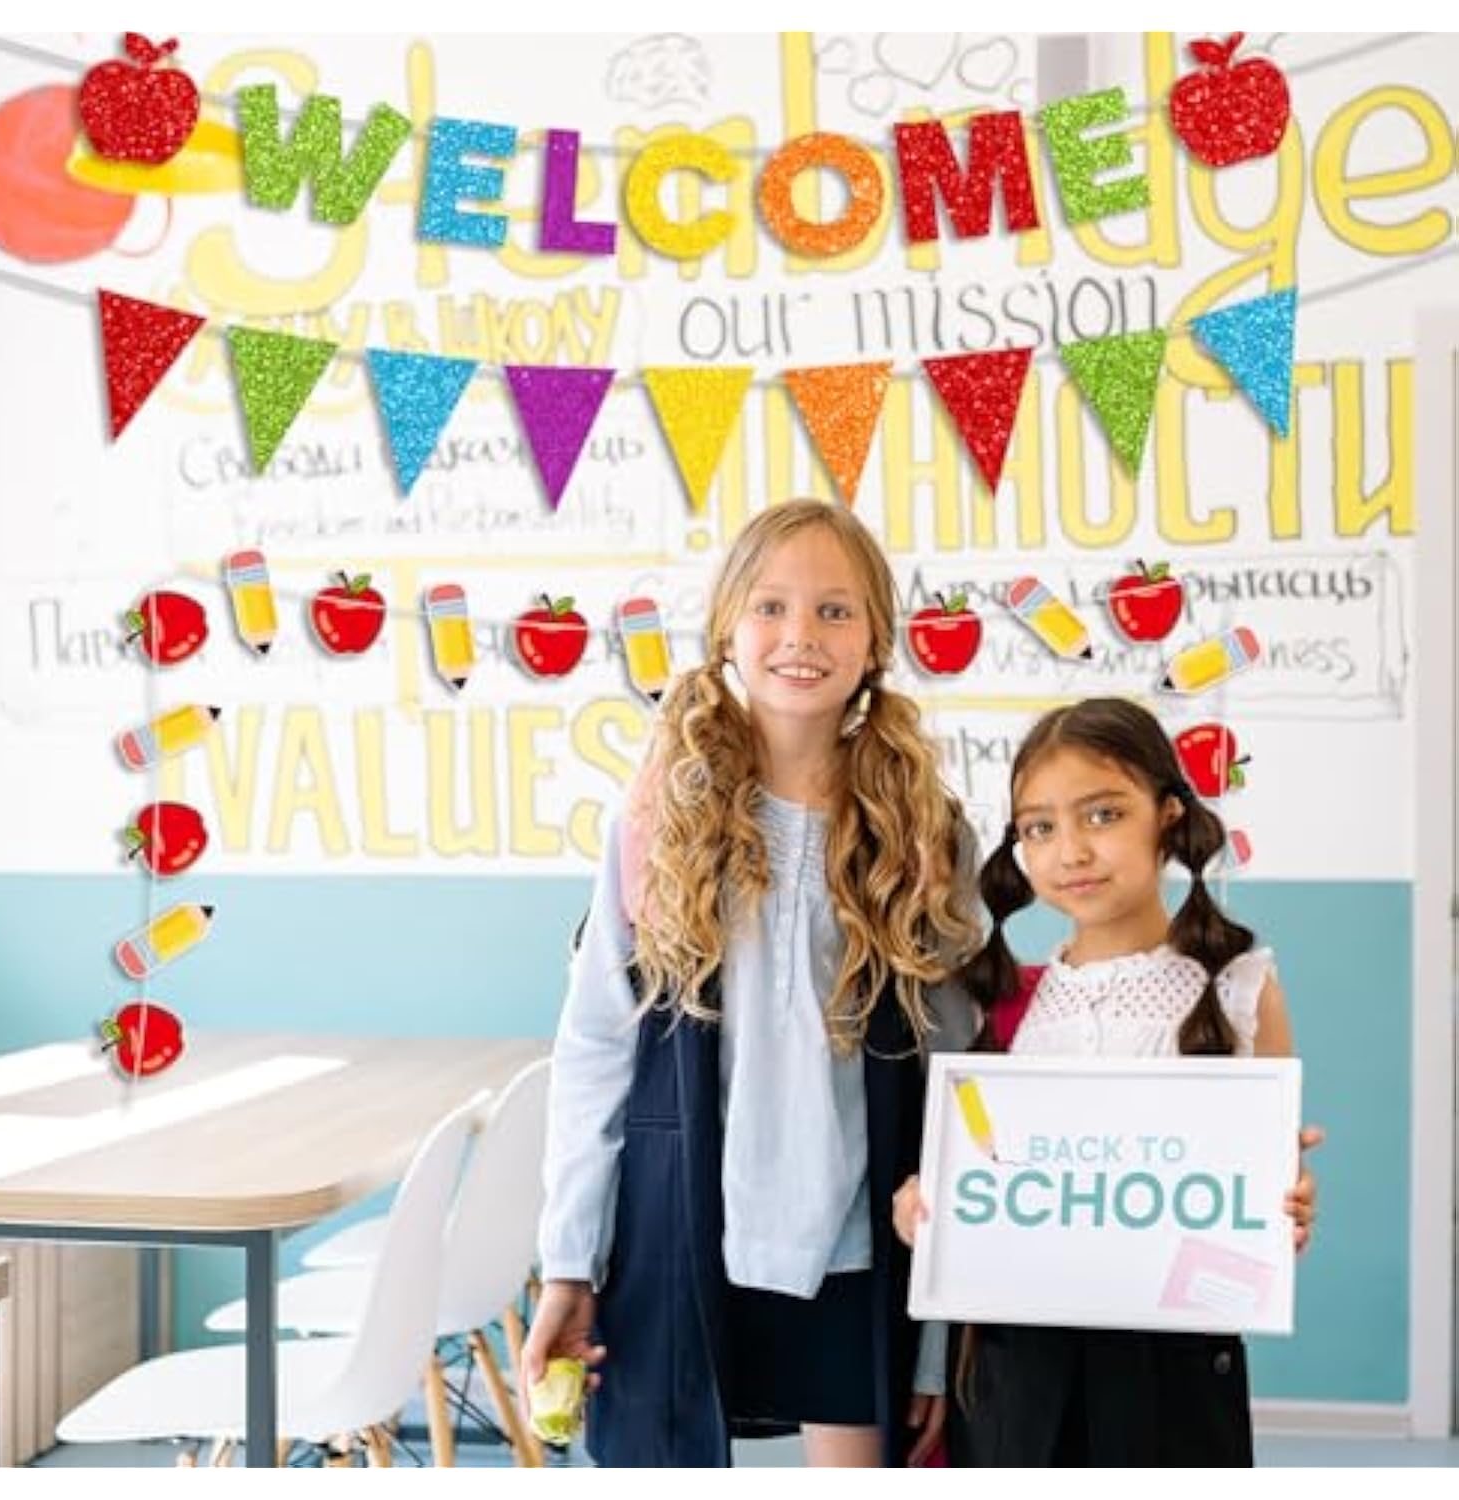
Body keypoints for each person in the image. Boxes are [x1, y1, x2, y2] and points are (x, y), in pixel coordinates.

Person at [523, 498, 982, 1467]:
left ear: (877, 642)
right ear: (728, 628)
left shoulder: (924, 832)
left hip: (859, 1246)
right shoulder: (658, 818)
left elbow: (957, 1084)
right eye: (771, 607)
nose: (799, 636)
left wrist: (943, 1335)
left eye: (834, 611)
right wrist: (568, 1257)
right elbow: (597, 1045)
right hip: (679, 1231)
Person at [893, 696, 1320, 1467]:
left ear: (1167, 816)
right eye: (1040, 828)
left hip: (1172, 1377)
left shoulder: (1241, 988)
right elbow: (975, 1185)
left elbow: (1262, 1213)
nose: (1071, 851)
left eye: (1102, 815)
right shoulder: (1004, 999)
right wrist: (926, 1209)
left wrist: (1283, 1205)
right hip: (1015, 1378)